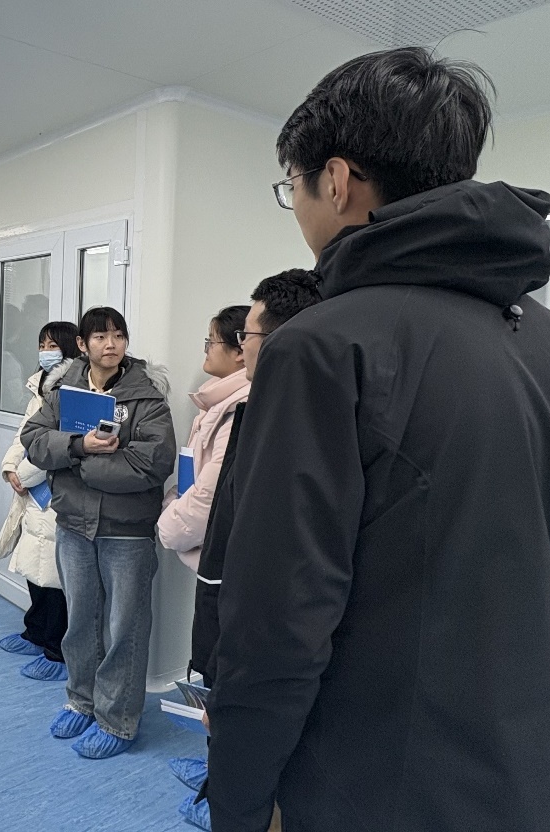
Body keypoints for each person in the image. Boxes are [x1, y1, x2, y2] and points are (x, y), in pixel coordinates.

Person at [206, 47, 550, 831]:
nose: (297, 206)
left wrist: (239, 802)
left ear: (336, 180)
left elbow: (277, 623)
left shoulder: (322, 347)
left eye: (292, 186)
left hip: (373, 786)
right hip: (534, 771)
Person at [169, 272, 320, 832]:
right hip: (220, 577)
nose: (237, 346)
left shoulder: (269, 415)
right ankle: (221, 775)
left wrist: (168, 522)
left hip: (255, 600)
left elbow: (216, 503)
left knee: (246, 709)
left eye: (243, 337)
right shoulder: (244, 408)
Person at [21, 306, 175, 759]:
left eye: (119, 336)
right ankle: (81, 700)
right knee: (80, 621)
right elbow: (33, 439)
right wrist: (77, 445)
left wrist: (83, 464)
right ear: (83, 344)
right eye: (101, 337)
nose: (111, 344)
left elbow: (152, 463)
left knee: (125, 626)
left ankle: (118, 720)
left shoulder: (147, 397)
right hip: (73, 524)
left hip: (126, 530)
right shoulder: (64, 391)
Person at [0, 321, 80, 681]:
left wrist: (24, 474)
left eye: (52, 345)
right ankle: (36, 632)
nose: (45, 351)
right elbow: (24, 436)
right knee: (34, 565)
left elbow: (56, 444)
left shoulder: (72, 391)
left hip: (54, 491)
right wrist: (9, 467)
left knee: (55, 575)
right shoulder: (38, 388)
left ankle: (57, 651)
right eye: (42, 344)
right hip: (31, 492)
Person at [156, 304, 251, 572]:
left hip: (225, 562)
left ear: (240, 351)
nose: (206, 349)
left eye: (212, 341)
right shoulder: (216, 402)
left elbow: (210, 493)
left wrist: (169, 522)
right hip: (212, 552)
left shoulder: (239, 408)